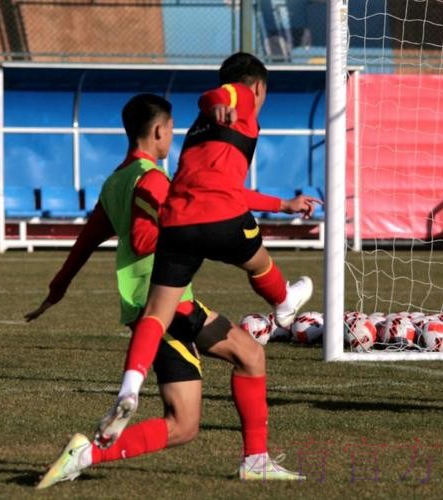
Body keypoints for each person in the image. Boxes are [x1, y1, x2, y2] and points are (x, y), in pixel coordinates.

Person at [27, 93, 308, 489]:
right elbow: (146, 238)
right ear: (159, 131)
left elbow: (86, 241)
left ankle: (256, 460)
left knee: (246, 358)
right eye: (172, 130)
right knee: (185, 421)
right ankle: (88, 454)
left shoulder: (115, 182)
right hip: (164, 306)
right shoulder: (154, 179)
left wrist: (57, 289)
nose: (173, 137)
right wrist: (193, 238)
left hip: (161, 306)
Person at [96, 52, 319, 452]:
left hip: (179, 225)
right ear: (259, 87)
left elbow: (217, 185)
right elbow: (216, 95)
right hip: (222, 220)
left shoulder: (198, 134)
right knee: (259, 262)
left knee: (156, 314)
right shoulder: (242, 96)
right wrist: (220, 103)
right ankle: (284, 303)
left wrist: (281, 203)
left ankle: (130, 387)